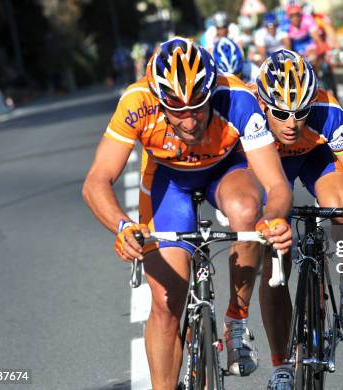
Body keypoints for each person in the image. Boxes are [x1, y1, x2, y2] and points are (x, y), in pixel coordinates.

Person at [82, 37, 293, 389]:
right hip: (168, 182)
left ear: (211, 93)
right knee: (167, 305)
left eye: (197, 107)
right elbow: (96, 181)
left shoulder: (236, 98)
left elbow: (277, 185)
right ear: (159, 100)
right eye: (176, 110)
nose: (189, 121)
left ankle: (236, 322)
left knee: (246, 211)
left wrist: (273, 219)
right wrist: (122, 227)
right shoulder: (137, 101)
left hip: (225, 172)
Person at [255, 49, 343, 389]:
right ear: (264, 104)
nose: (293, 123)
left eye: (301, 112)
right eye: (281, 113)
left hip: (317, 157)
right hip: (270, 163)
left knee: (342, 205)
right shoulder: (249, 115)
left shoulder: (327, 110)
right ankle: (280, 364)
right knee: (272, 264)